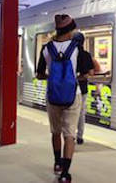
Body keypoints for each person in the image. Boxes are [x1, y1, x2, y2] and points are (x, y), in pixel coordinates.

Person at [36, 14, 81, 183]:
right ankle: (65, 174)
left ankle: (57, 164)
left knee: (55, 131)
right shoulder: (77, 47)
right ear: (70, 30)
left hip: (53, 96)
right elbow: (84, 73)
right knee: (69, 134)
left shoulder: (47, 49)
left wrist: (52, 77)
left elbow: (39, 74)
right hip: (72, 96)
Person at [74, 32, 94, 145]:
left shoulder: (71, 54)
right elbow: (90, 72)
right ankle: (80, 137)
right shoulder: (86, 55)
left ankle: (70, 136)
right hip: (83, 88)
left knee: (71, 113)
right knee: (81, 113)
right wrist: (82, 75)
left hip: (71, 88)